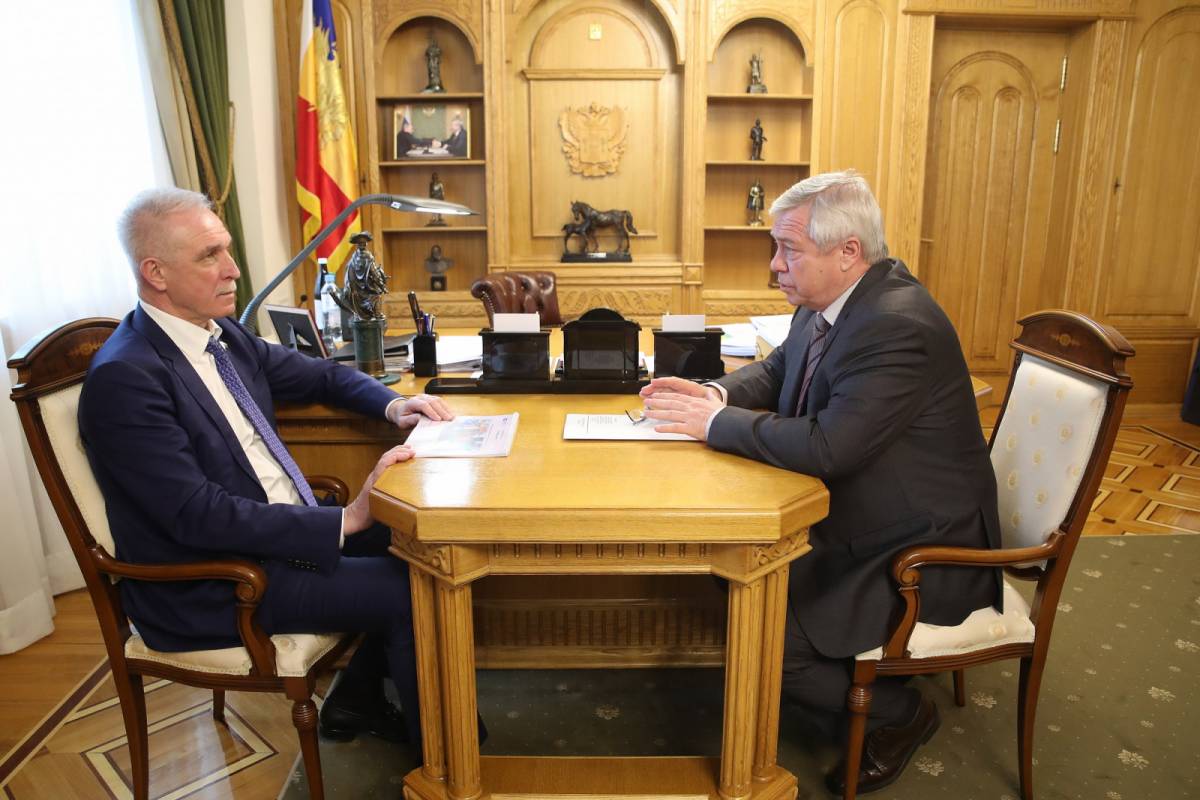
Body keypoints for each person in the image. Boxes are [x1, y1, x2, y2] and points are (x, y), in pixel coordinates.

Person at [639, 170, 1001, 794]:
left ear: (848, 252)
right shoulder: (830, 301)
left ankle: (902, 712)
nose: (774, 265)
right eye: (775, 248)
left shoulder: (896, 324)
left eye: (789, 249)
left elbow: (830, 447)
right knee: (738, 586)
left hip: (919, 544)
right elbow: (779, 368)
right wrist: (713, 394)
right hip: (865, 508)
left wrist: (715, 425)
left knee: (767, 645)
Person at [78, 188, 455, 750]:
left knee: (422, 542)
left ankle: (359, 701)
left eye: (227, 250)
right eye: (209, 256)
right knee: (412, 590)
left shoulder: (219, 335)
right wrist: (346, 520)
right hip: (220, 580)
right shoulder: (126, 378)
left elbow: (320, 375)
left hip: (274, 538)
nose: (233, 269)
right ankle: (446, 761)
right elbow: (195, 514)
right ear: (155, 273)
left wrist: (394, 405)